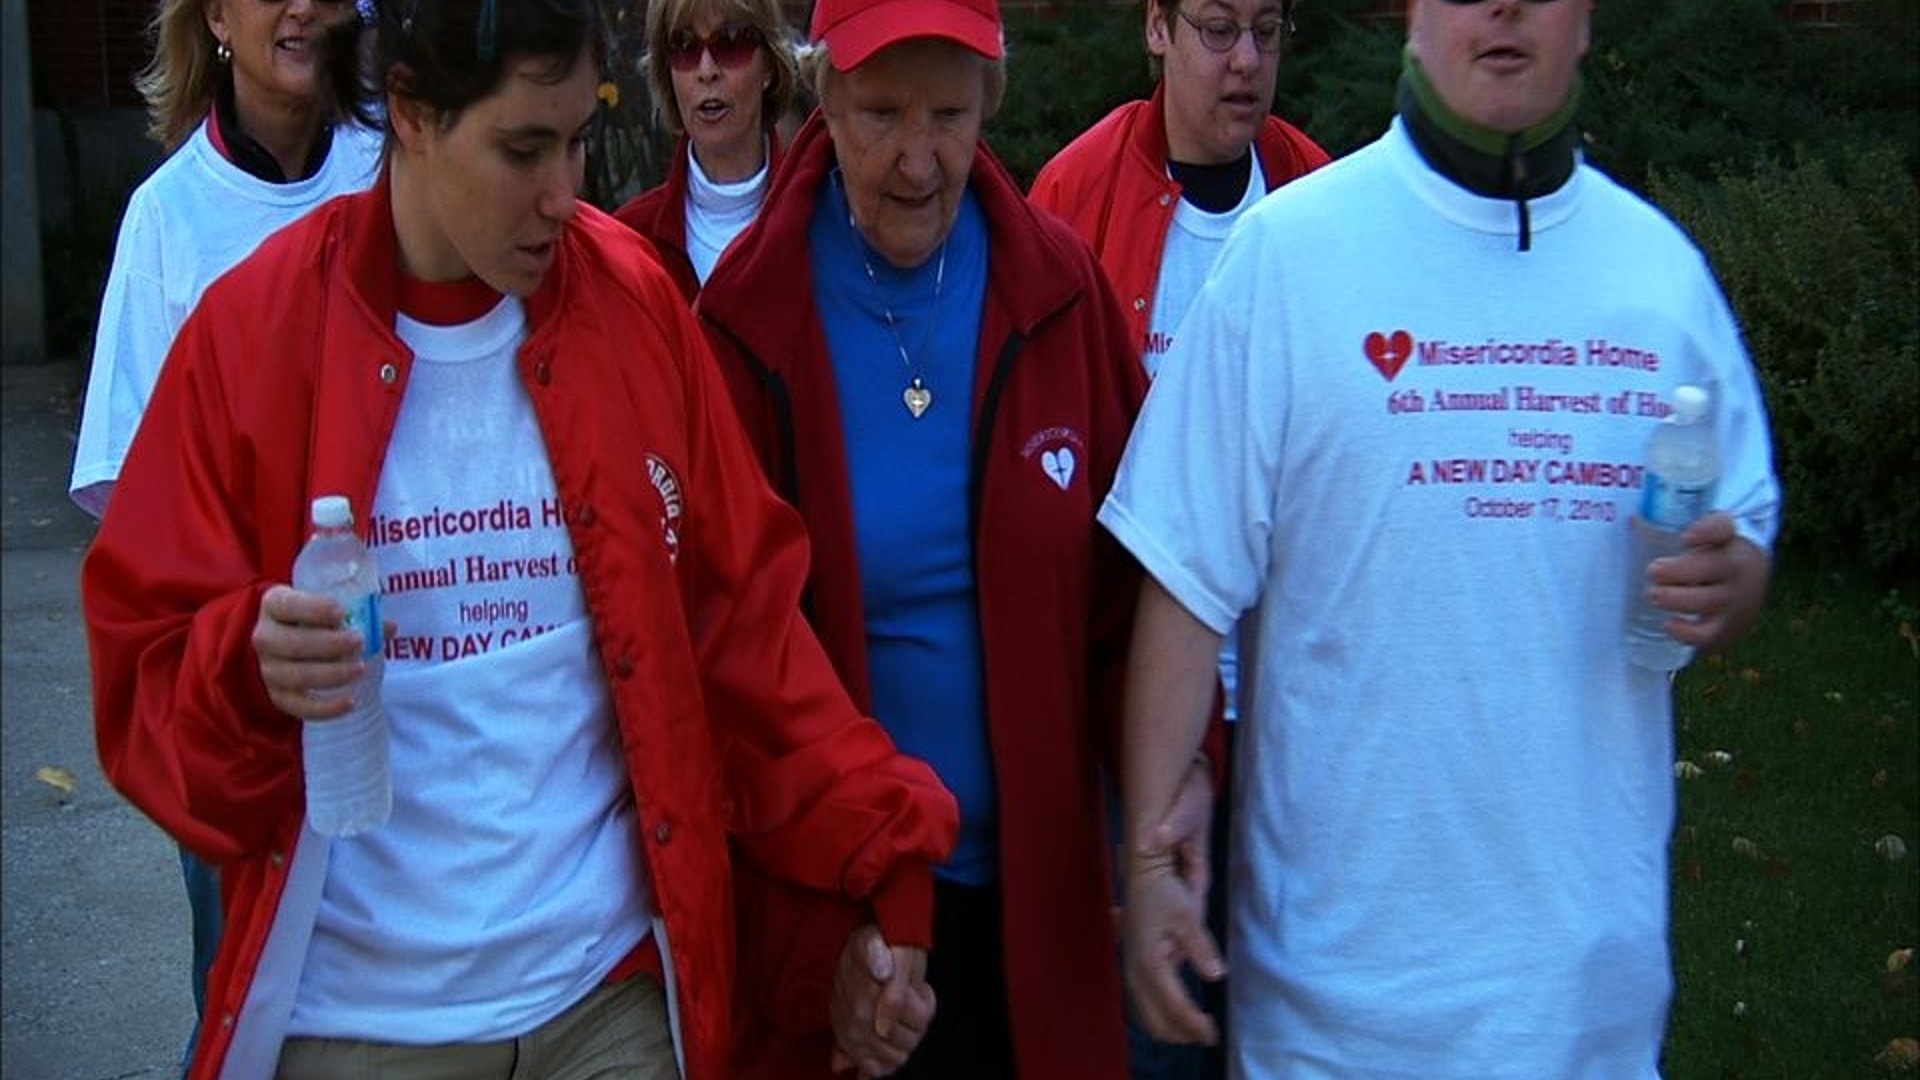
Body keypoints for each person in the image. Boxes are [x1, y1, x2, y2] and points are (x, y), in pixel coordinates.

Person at [80, 0, 958, 1073]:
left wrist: (885, 864)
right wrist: (244, 666)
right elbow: (143, 681)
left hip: (608, 997)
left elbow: (751, 637)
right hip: (361, 1016)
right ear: (408, 114)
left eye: (580, 139)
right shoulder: (250, 335)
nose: (565, 193)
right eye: (522, 148)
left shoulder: (633, 304)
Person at [1102, 0, 1779, 1077]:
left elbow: (1739, 536)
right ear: (1414, 12)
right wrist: (1146, 865)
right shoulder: (1288, 259)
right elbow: (1183, 581)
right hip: (1332, 1017)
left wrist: (1732, 579)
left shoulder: (1660, 280)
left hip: (1584, 1008)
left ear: (1588, 21)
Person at [693, 0, 1171, 1075]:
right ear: (819, 98)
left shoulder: (1058, 290)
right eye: (880, 114)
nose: (918, 159)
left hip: (1040, 907)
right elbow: (726, 671)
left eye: (950, 113)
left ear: (992, 102)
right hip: (840, 922)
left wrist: (1165, 809)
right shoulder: (744, 324)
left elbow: (1136, 598)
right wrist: (825, 946)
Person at [66, 0, 382, 1060]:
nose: (301, 7)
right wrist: (228, 645)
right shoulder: (168, 219)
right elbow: (129, 501)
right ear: (212, 17)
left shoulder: (397, 177)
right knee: (247, 994)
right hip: (244, 690)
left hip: (400, 662)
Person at [1029, 4, 1328, 1075]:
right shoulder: (1072, 196)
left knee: (1291, 1019)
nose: (1245, 61)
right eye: (1214, 27)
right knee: (1160, 1026)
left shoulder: (1318, 202)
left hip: (1296, 708)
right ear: (1155, 29)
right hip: (1144, 707)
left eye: (1266, 30)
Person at [611, 0, 798, 300]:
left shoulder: (822, 225)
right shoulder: (627, 242)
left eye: (731, 42)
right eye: (684, 45)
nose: (706, 70)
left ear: (769, 67)